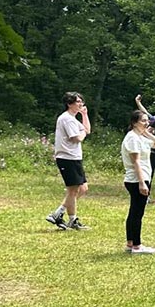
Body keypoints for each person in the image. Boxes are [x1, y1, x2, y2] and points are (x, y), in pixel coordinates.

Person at [121, 110, 155, 254]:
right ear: (134, 122)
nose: (147, 123)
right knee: (137, 213)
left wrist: (147, 133)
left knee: (134, 212)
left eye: (147, 121)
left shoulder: (140, 137)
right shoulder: (132, 138)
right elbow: (136, 162)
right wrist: (142, 183)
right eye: (143, 121)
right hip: (136, 179)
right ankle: (137, 245)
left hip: (139, 178)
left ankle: (130, 243)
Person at [46, 92, 92, 230]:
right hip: (67, 158)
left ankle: (59, 213)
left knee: (83, 189)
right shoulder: (66, 119)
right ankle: (70, 218)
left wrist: (84, 115)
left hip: (75, 157)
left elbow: (87, 130)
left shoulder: (73, 118)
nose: (80, 104)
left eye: (81, 102)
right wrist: (82, 133)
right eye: (77, 102)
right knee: (73, 190)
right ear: (69, 103)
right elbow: (76, 138)